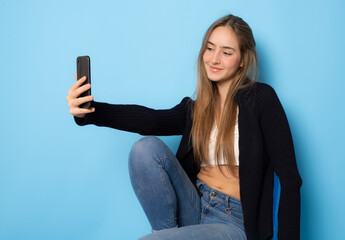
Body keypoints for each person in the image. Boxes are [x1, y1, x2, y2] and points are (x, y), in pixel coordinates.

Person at [66, 14, 302, 240]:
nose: (214, 59)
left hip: (234, 222)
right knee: (144, 148)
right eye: (210, 48)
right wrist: (89, 111)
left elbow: (290, 179)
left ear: (242, 61)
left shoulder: (261, 98)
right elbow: (152, 120)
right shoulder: (197, 109)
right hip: (194, 205)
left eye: (226, 52)